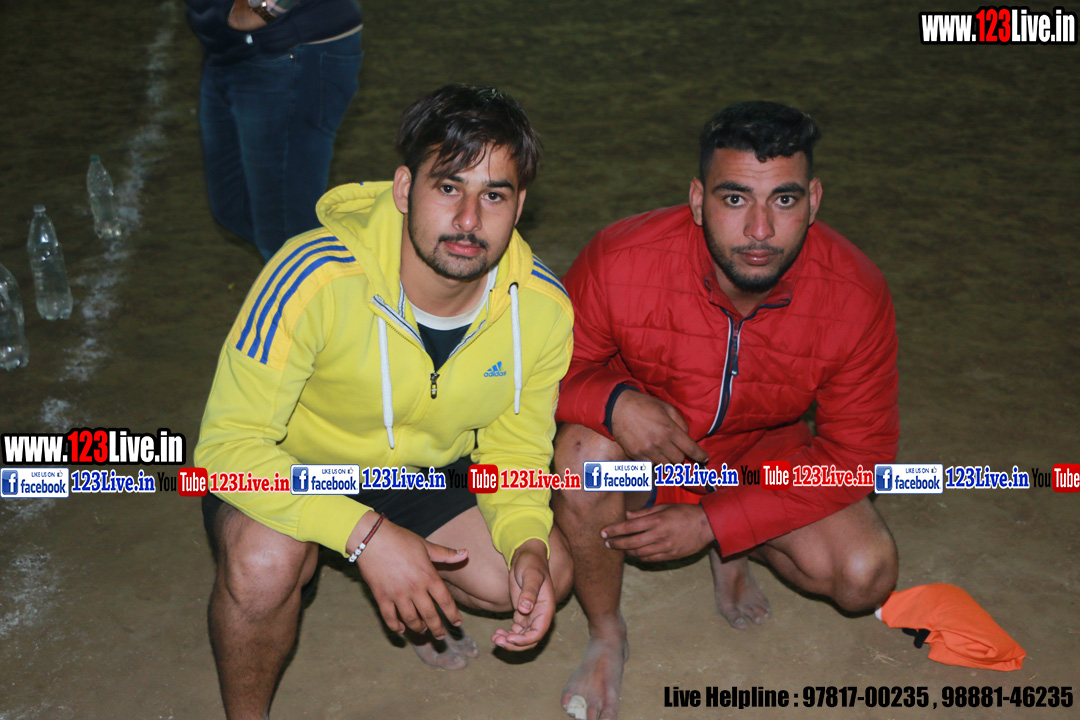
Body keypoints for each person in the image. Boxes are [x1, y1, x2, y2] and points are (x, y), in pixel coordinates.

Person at [194, 84, 574, 720]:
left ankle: (412, 586)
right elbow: (226, 451)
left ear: (519, 206)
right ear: (404, 189)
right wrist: (365, 535)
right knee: (265, 564)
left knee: (540, 572)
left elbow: (515, 453)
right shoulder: (310, 276)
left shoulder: (540, 309)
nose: (469, 219)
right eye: (448, 187)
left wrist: (528, 539)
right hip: (294, 467)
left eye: (494, 195)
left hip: (418, 473)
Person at [552, 101, 900, 720]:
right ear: (697, 199)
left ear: (814, 201)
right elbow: (542, 377)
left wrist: (718, 524)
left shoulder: (857, 292)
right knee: (583, 457)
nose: (760, 230)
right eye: (735, 199)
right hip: (648, 455)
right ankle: (606, 632)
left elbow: (856, 459)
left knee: (863, 572)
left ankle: (733, 551)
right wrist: (614, 400)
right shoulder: (620, 257)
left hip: (762, 461)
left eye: (784, 200)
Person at [185, 0, 364, 260]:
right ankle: (346, 271)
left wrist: (265, 7)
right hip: (230, 50)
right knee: (235, 209)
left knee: (285, 233)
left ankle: (348, 278)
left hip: (288, 50)